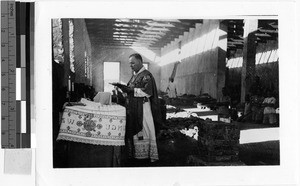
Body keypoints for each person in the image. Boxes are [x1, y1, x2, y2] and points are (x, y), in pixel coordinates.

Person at [117, 53, 162, 165]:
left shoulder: (147, 75)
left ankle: (146, 155)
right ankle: (137, 155)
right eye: (129, 63)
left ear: (140, 62)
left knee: (145, 129)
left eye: (133, 63)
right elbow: (131, 90)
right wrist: (123, 89)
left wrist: (130, 90)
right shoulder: (135, 75)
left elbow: (147, 92)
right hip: (133, 107)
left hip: (143, 108)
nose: (131, 65)